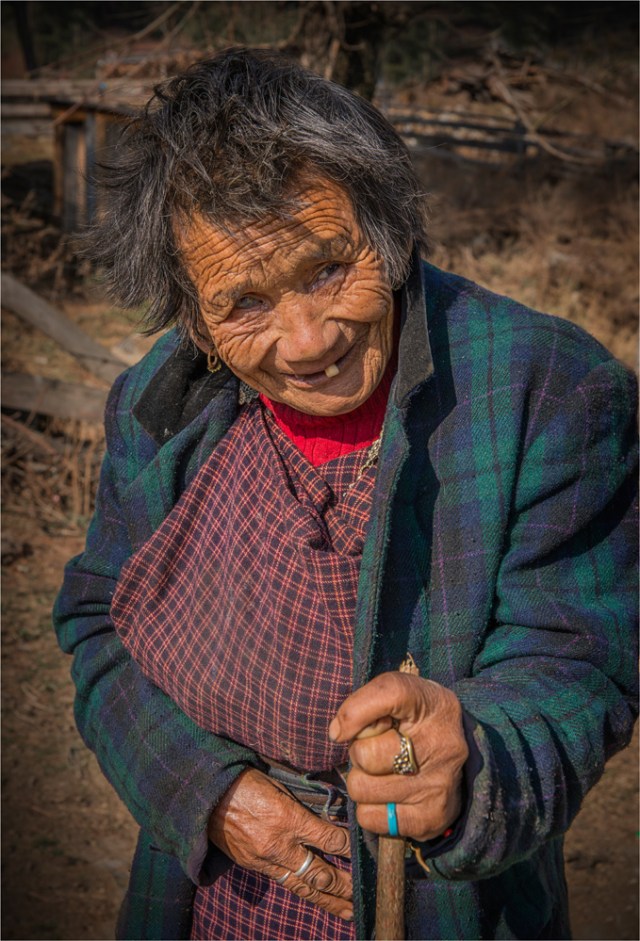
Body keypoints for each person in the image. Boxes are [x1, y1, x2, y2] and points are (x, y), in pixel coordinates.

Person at [53, 48, 638, 941]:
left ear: (389, 225)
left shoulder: (546, 390)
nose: (305, 339)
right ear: (191, 312)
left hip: (446, 903)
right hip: (205, 893)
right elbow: (101, 625)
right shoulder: (158, 409)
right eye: (243, 300)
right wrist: (206, 793)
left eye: (328, 267)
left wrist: (476, 762)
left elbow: (581, 661)